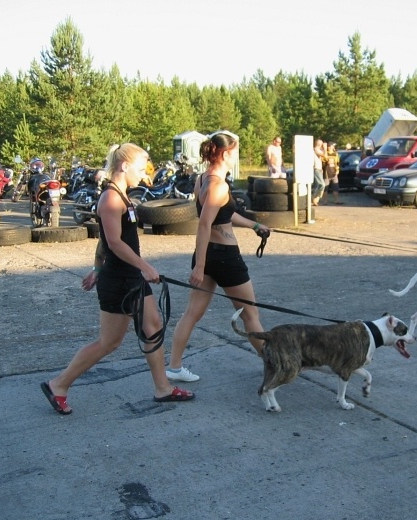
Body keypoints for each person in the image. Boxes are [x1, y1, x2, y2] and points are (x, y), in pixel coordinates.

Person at [40, 143, 194, 415]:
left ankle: (163, 388)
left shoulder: (122, 197)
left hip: (130, 276)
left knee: (153, 326)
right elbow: (113, 242)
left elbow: (104, 241)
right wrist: (144, 267)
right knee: (109, 342)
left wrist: (96, 268)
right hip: (120, 280)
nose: (144, 174)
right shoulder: (111, 199)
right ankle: (58, 384)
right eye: (141, 168)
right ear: (124, 166)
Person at [167, 133, 269, 381]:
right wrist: (199, 267)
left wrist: (255, 226)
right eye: (236, 151)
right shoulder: (218, 185)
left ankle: (174, 367)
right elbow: (204, 224)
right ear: (225, 153)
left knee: (192, 313)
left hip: (210, 255)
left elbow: (224, 214)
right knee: (250, 315)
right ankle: (273, 364)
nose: (238, 156)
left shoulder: (203, 179)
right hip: (224, 259)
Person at [311, 138, 326, 206]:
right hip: (316, 169)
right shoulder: (315, 149)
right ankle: (314, 197)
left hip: (319, 169)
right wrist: (325, 148)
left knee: (317, 185)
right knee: (322, 184)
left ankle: (315, 200)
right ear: (319, 144)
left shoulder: (318, 150)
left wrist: (321, 168)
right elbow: (324, 155)